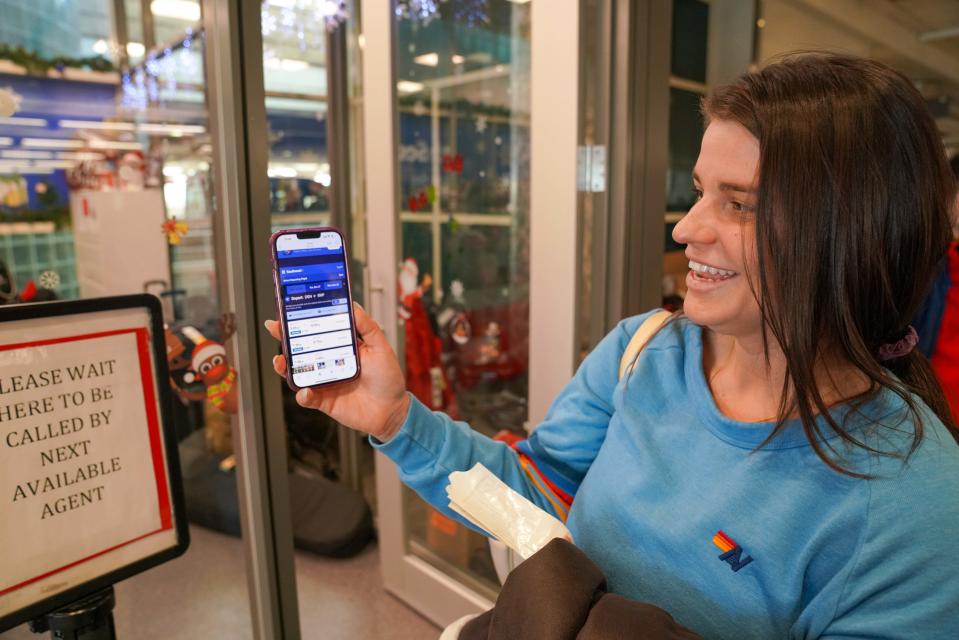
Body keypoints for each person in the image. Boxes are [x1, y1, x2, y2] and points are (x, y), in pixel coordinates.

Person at [265, 53, 959, 638]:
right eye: (697, 192)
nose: (686, 229)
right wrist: (394, 421)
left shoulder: (909, 501)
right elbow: (533, 499)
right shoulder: (643, 351)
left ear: (851, 232)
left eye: (737, 203)